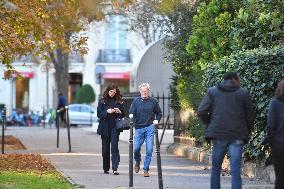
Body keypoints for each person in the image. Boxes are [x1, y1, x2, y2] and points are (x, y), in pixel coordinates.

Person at [198, 72, 254, 189]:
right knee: (235, 169)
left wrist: (210, 122)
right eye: (238, 79)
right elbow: (250, 116)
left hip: (218, 134)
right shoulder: (243, 93)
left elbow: (202, 111)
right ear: (234, 79)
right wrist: (247, 131)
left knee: (216, 168)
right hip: (237, 135)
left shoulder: (213, 92)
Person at [129, 83, 162, 177]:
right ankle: (138, 162)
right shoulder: (136, 101)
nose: (144, 93)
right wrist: (132, 118)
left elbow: (159, 113)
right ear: (140, 91)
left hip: (149, 127)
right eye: (142, 91)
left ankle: (146, 169)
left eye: (146, 91)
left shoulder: (153, 101)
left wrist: (156, 120)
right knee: (136, 149)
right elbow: (131, 112)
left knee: (149, 149)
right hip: (139, 128)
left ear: (148, 91)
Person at [97, 84, 125, 175]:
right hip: (104, 127)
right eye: (111, 91)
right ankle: (106, 168)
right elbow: (99, 114)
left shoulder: (119, 101)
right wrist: (107, 112)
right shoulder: (102, 101)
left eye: (114, 92)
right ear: (108, 91)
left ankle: (115, 168)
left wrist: (119, 111)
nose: (112, 93)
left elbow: (123, 114)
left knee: (114, 147)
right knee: (105, 150)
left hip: (115, 127)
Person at [266, 78, 284, 189]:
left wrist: (271, 143)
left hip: (279, 145)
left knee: (280, 176)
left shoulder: (275, 103)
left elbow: (271, 126)